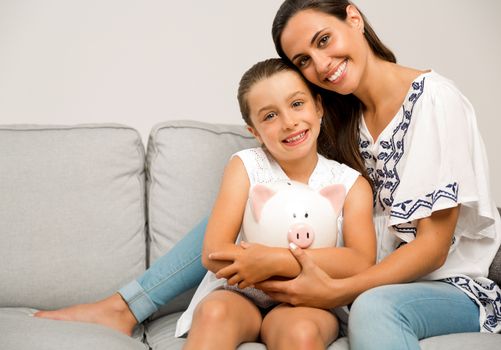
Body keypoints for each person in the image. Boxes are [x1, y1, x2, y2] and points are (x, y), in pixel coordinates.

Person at [36, 0, 501, 348]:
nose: (320, 65)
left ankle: (126, 305)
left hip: (438, 282)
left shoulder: (434, 100)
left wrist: (332, 290)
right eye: (302, 60)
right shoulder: (347, 117)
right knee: (252, 203)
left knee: (374, 307)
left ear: (353, 18)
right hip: (367, 266)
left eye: (324, 40)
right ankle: (126, 306)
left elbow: (433, 246)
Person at [178, 58, 375, 349]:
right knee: (213, 313)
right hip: (242, 292)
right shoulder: (245, 166)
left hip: (309, 298)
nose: (289, 122)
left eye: (297, 104)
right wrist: (252, 268)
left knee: (301, 333)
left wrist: (274, 259)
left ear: (318, 106)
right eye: (270, 116)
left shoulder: (350, 184)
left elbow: (360, 260)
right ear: (254, 131)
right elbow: (214, 253)